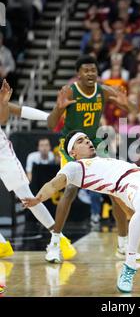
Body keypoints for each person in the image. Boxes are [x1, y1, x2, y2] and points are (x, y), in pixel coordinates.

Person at [22, 131, 140, 293]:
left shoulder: (103, 159)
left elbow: (118, 197)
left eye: (87, 138)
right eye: (81, 141)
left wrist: (135, 217)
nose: (87, 141)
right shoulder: (74, 167)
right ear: (73, 152)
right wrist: (38, 198)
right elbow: (53, 185)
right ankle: (127, 265)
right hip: (134, 185)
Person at [46, 55, 140, 263]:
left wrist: (128, 103)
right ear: (78, 74)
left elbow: (134, 112)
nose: (90, 73)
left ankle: (123, 245)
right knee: (70, 189)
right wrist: (59, 108)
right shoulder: (70, 91)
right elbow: (50, 123)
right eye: (86, 70)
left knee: (115, 190)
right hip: (71, 144)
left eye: (93, 70)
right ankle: (54, 244)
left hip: (94, 142)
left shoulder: (103, 91)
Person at [0, 79, 76, 266]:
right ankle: (1, 245)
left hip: (1, 153)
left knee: (26, 197)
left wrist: (50, 116)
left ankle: (60, 239)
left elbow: (12, 114)